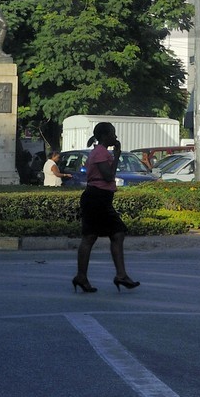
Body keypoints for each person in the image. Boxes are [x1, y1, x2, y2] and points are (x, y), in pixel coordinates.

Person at [73, 122, 139, 293]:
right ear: (104, 136)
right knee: (110, 234)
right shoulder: (101, 152)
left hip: (98, 198)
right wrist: (117, 156)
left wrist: (115, 154)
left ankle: (85, 276)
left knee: (101, 235)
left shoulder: (100, 151)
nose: (115, 137)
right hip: (98, 198)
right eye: (112, 134)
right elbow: (109, 176)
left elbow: (109, 175)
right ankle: (119, 275)